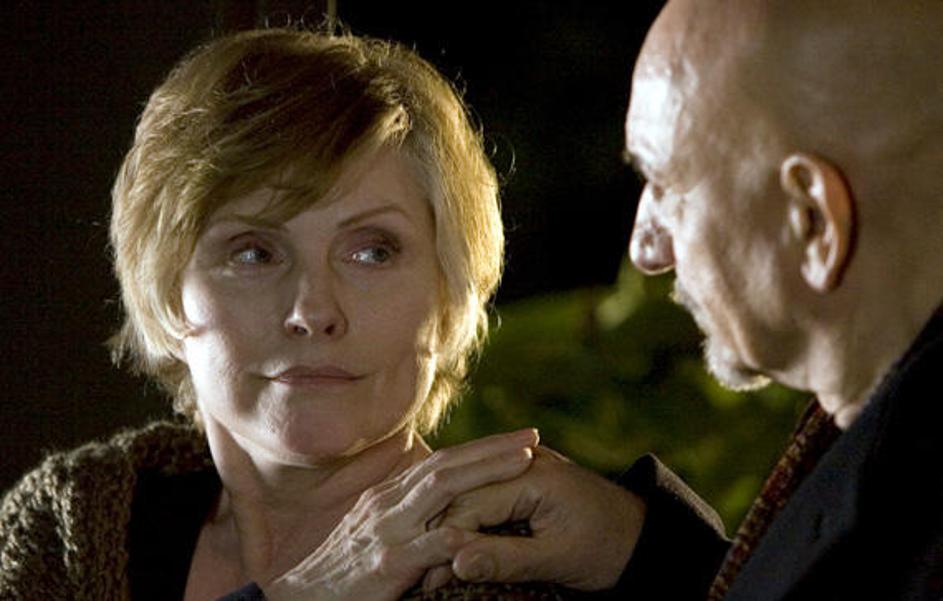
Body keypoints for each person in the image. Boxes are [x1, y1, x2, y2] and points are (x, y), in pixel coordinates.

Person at [0, 27, 576, 601]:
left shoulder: (519, 573)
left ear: (450, 295)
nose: (314, 311)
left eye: (372, 252)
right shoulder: (67, 524)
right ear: (167, 290)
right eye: (254, 253)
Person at [434, 0, 943, 599]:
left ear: (812, 222)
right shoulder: (881, 433)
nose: (645, 251)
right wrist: (641, 549)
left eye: (667, 186)